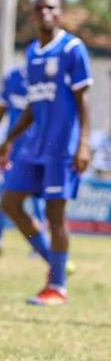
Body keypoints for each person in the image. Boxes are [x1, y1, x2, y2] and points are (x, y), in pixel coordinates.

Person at [0, 0, 93, 306]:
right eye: (39, 8)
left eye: (51, 7)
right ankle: (54, 263)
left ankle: (58, 286)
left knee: (55, 214)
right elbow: (32, 105)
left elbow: (83, 100)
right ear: (33, 15)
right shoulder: (32, 52)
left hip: (62, 147)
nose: (45, 12)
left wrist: (83, 143)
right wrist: (9, 139)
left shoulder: (72, 48)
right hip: (35, 145)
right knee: (10, 202)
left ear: (60, 13)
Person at [0, 66, 46, 256]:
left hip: (36, 150)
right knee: (5, 196)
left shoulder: (45, 76)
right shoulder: (12, 77)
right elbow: (3, 108)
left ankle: (41, 247)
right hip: (13, 150)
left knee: (37, 201)